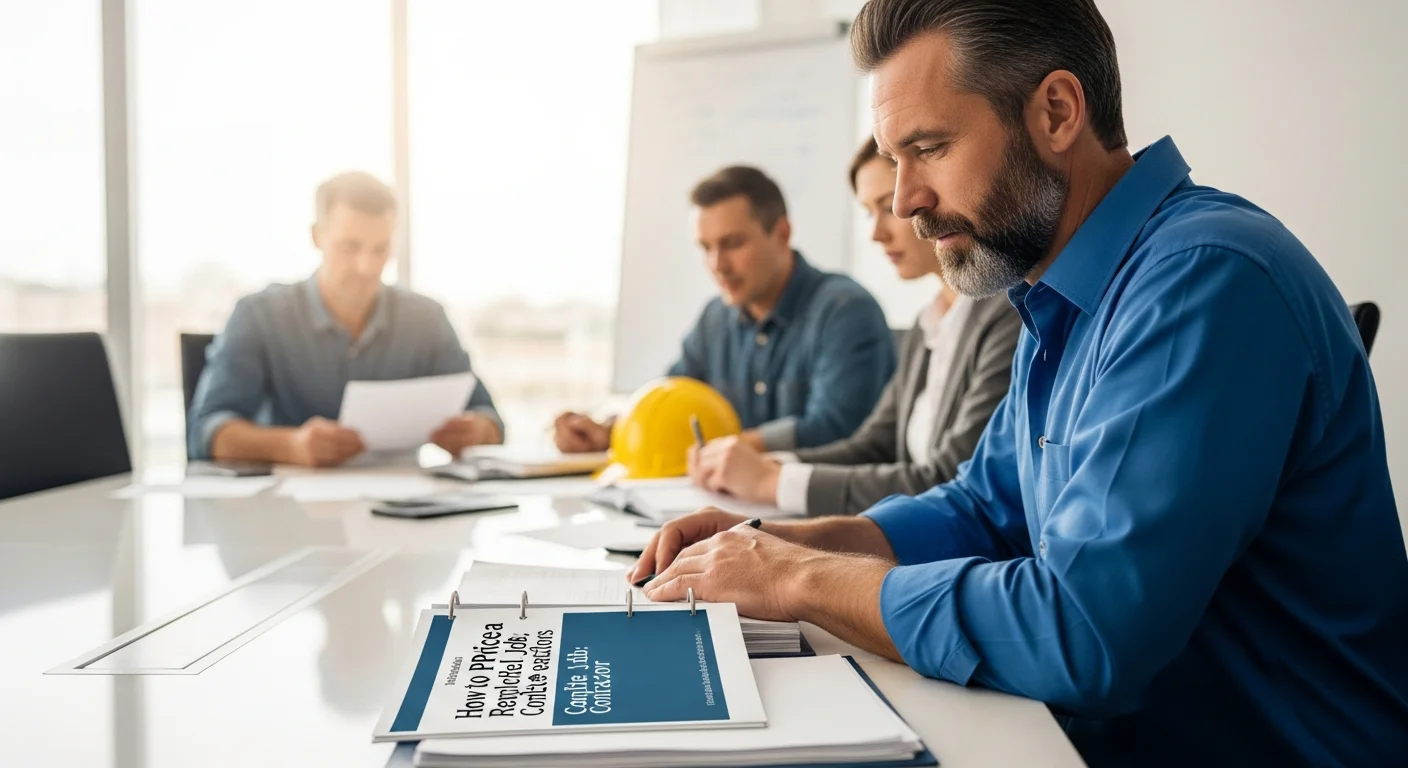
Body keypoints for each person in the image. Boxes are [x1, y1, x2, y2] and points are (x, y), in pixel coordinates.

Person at [629, 1, 1408, 764]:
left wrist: (797, 579)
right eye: (893, 158)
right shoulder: (1059, 296)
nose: (905, 201)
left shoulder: (1202, 281)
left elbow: (1082, 631)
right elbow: (981, 509)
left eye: (928, 148)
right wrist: (774, 544)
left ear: (1058, 111)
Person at [688, 138, 1022, 515]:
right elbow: (872, 446)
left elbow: (953, 478)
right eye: (869, 212)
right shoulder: (927, 323)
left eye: (887, 207)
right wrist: (770, 469)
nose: (876, 233)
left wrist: (771, 481)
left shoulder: (1009, 313)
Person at [555, 165, 895, 454]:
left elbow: (835, 429)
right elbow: (669, 400)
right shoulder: (715, 319)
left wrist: (723, 448)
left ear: (781, 233)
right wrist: (610, 429)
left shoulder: (845, 310)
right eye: (706, 248)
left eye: (732, 244)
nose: (718, 265)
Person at [187, 171, 502, 467]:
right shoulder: (258, 316)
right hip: (287, 512)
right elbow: (205, 432)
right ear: (317, 236)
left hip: (403, 505)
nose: (367, 266)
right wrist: (291, 446)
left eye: (380, 249)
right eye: (350, 247)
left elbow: (491, 420)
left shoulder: (427, 319)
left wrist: (476, 432)